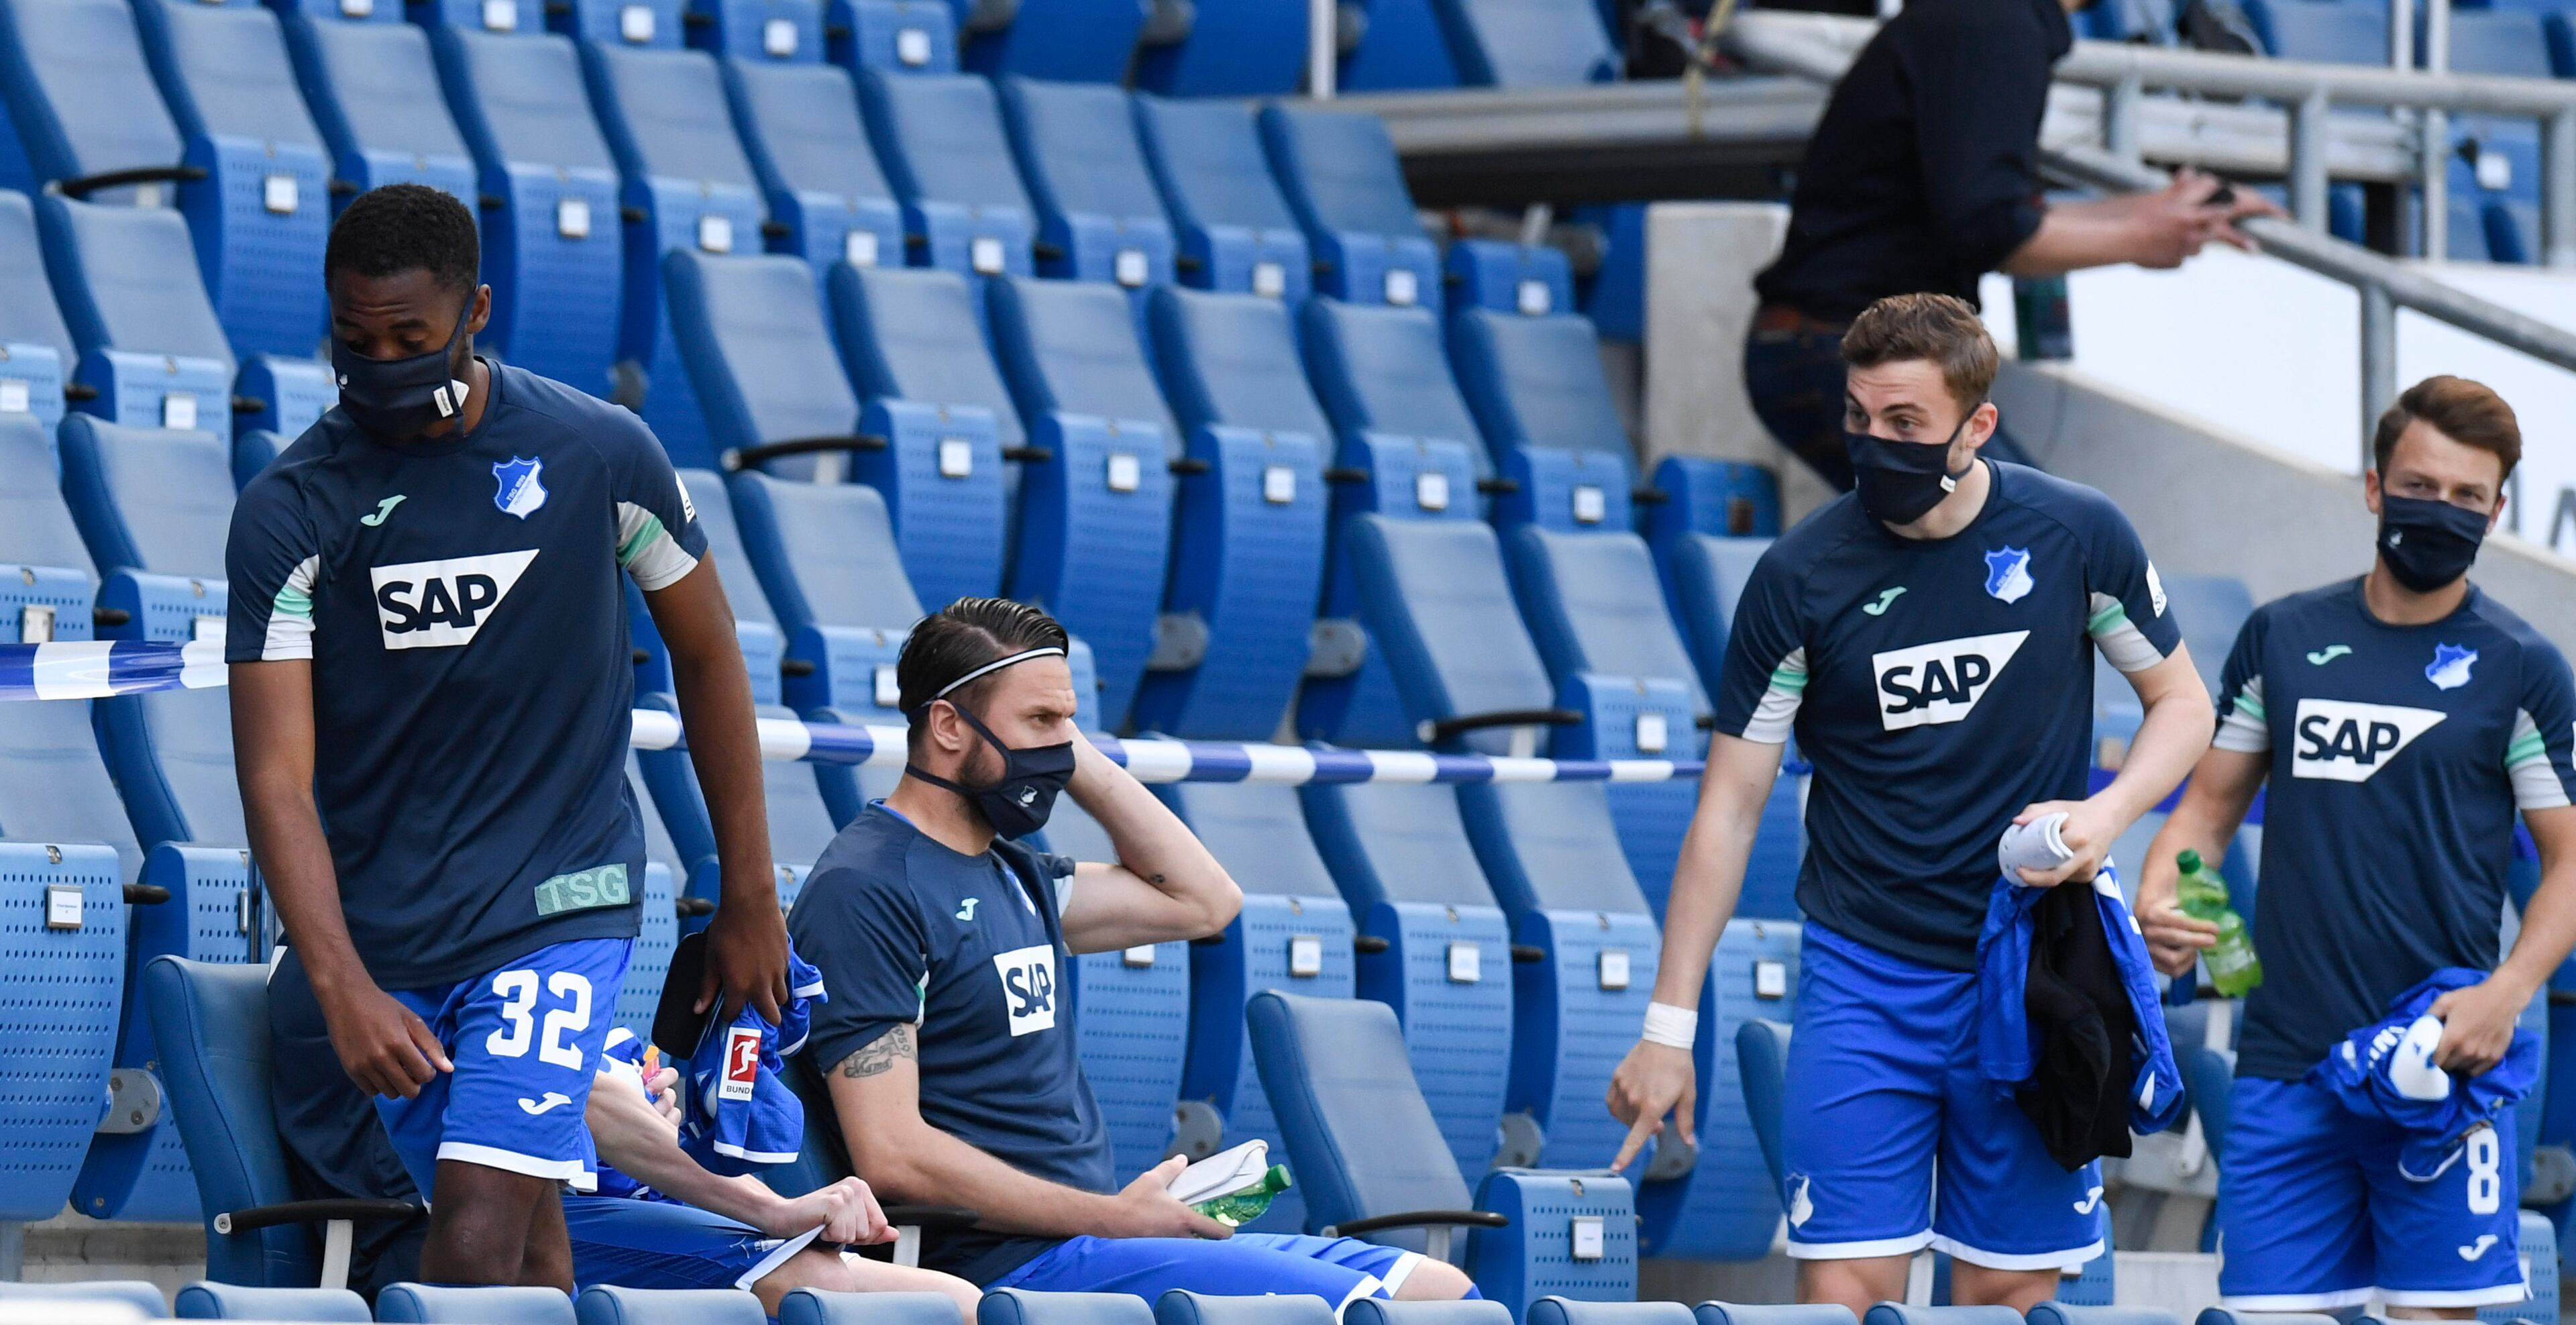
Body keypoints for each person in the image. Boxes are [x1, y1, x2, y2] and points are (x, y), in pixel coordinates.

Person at [227, 183, 788, 1290]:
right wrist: (339, 984)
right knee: (530, 1243)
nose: (381, 361)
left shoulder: (601, 456)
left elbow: (714, 659)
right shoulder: (291, 509)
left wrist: (751, 897)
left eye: (410, 338)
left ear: (477, 311)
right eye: (356, 339)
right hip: (393, 929)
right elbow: (275, 777)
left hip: (562, 904)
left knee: (477, 1226)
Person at [1606, 293, 2214, 1314]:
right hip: (1864, 980)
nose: (1874, 443)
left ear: (1976, 426)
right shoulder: (1799, 578)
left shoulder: (2076, 533)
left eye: (1905, 425)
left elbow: (2184, 704)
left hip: (2029, 973)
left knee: (2007, 1293)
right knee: (1844, 1291)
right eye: (1858, 417)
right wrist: (1669, 1026)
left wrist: (2105, 819)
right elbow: (1728, 810)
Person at [790, 598, 1480, 1308]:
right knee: (1380, 1311)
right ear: (946, 725)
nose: (1058, 748)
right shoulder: (867, 888)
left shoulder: (1015, 871)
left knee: (1442, 1290)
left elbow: (1204, 900)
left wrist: (1063, 745)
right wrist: (1117, 1217)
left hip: (1098, 1243)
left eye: (1068, 723)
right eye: (1040, 722)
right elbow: (894, 1156)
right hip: (1006, 1267)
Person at [2137, 376, 2576, 1314]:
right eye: (2421, 485)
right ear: (2375, 487)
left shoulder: (2523, 666)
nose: (2442, 509)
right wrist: (2180, 902)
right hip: (2284, 1069)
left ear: (2498, 511)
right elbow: (2204, 820)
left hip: (2441, 1061)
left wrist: (2508, 990)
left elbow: (2571, 861)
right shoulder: (2283, 636)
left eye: (2468, 496)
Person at [1743, 0, 2277, 489]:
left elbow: (1995, 212)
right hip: (1846, 348)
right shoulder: (1995, 20)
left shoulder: (1991, 15)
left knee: (2022, 550)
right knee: (2033, 544)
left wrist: (2159, 212)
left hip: (1836, 346)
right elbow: (1990, 227)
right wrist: (2141, 236)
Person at [569, 1030, 983, 1318]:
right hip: (548, 1205)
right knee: (815, 1287)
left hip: (643, 1190)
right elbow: (590, 1100)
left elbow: (645, 1135)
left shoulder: (602, 972)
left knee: (962, 1305)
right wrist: (773, 1212)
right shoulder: (530, 932)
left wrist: (785, 1208)